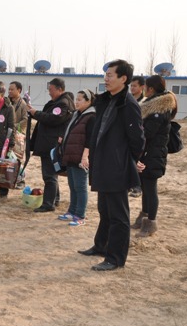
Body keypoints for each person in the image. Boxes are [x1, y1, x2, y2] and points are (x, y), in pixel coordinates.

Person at [77, 59, 145, 271]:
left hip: (116, 166)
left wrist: (125, 160)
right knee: (105, 210)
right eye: (105, 75)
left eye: (110, 75)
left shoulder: (128, 104)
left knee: (118, 216)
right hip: (103, 164)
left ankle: (115, 258)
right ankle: (101, 246)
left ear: (123, 79)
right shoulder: (107, 100)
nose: (106, 79)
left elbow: (138, 140)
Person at [133, 75, 177, 238]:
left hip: (153, 155)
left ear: (150, 89)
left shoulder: (159, 110)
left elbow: (147, 133)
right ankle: (143, 217)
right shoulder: (153, 107)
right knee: (146, 187)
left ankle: (151, 223)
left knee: (150, 189)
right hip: (148, 154)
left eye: (145, 87)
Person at [27, 78, 75, 212]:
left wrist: (36, 113)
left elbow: (52, 119)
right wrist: (34, 113)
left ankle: (48, 203)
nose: (49, 92)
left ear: (59, 89)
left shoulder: (63, 104)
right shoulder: (56, 103)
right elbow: (48, 116)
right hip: (49, 143)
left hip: (51, 145)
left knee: (49, 176)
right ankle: (55, 199)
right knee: (52, 174)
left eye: (51, 90)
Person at [57, 89, 97, 226]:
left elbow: (90, 140)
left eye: (80, 99)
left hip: (81, 157)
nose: (76, 102)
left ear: (88, 101)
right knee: (73, 186)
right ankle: (72, 211)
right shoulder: (77, 115)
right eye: (76, 99)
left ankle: (80, 215)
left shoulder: (91, 116)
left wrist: (85, 157)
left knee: (80, 187)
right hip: (71, 155)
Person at [128, 75, 146, 198]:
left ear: (142, 87)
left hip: (139, 134)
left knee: (138, 161)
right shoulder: (128, 100)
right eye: (131, 86)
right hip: (128, 134)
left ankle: (137, 187)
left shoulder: (145, 102)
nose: (132, 88)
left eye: (135, 86)